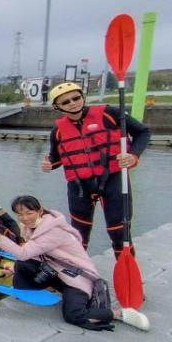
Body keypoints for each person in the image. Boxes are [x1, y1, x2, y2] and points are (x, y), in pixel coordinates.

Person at [0, 195, 149, 331]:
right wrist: (13, 268)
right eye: (19, 214)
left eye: (29, 213)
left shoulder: (52, 231)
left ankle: (120, 314)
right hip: (59, 272)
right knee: (22, 264)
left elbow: (24, 252)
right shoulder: (33, 227)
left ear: (40, 211)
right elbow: (32, 255)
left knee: (74, 315)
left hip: (77, 278)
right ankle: (45, 289)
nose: (24, 218)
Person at [41, 82, 150, 257]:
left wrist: (134, 155)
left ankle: (126, 275)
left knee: (119, 232)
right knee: (78, 235)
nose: (73, 103)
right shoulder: (57, 131)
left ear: (82, 97)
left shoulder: (110, 114)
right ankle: (78, 274)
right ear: (57, 107)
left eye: (76, 98)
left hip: (113, 180)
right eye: (66, 102)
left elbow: (143, 132)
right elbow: (56, 158)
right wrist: (48, 164)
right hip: (80, 187)